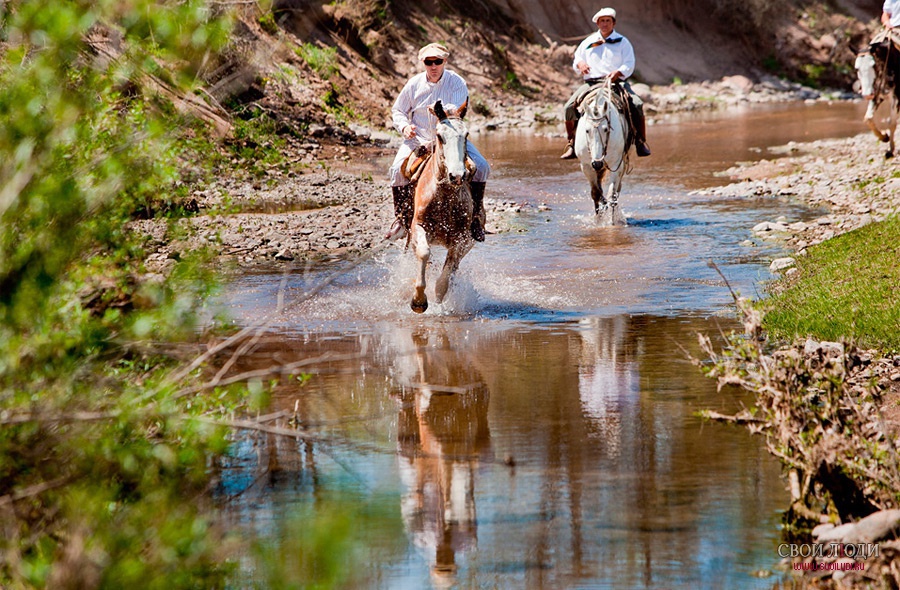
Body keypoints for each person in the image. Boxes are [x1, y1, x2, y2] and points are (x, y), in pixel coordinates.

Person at [386, 43, 491, 242]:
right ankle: (400, 219)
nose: (433, 66)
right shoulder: (413, 84)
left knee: (483, 167)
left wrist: (441, 111)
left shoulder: (457, 82)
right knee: (395, 171)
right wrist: (405, 127)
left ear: (445, 61)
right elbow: (398, 110)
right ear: (423, 63)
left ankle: (476, 217)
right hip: (419, 137)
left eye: (438, 61)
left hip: (451, 137)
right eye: (429, 62)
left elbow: (456, 111)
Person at [559, 7, 651, 159]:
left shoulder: (623, 42)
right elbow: (577, 59)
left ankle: (640, 141)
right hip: (591, 83)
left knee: (637, 103)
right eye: (602, 21)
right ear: (597, 23)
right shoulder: (588, 42)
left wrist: (618, 72)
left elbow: (629, 63)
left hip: (616, 83)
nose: (605, 24)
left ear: (613, 23)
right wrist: (580, 64)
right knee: (568, 107)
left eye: (608, 21)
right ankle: (572, 143)